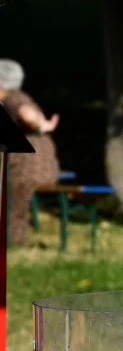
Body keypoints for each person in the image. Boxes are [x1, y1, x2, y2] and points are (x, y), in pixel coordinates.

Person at [0, 59, 62, 246]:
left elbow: (26, 113)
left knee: (12, 203)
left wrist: (41, 126)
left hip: (26, 170)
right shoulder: (18, 97)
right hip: (36, 168)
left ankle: (12, 241)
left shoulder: (12, 98)